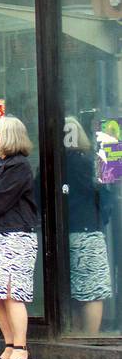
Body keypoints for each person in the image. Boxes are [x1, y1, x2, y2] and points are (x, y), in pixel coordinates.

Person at [0, 116, 39, 359]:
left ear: (6, 137)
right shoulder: (2, 167)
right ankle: (8, 345)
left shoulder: (19, 167)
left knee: (12, 294)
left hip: (15, 237)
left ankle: (21, 349)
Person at [65, 117, 113, 334]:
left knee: (73, 292)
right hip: (89, 230)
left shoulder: (58, 163)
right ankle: (90, 338)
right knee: (92, 291)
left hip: (67, 231)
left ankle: (75, 335)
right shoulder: (89, 162)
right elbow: (105, 197)